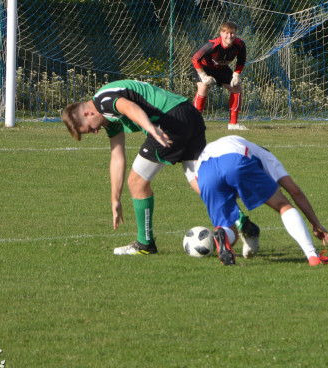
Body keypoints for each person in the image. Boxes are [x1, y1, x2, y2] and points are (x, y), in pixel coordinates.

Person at [61, 79, 259, 255]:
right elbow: (117, 157)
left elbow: (129, 107)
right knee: (201, 183)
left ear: (87, 113)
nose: (95, 132)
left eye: (89, 128)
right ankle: (243, 223)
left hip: (169, 121)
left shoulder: (103, 101)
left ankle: (145, 245)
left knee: (137, 182)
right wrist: (115, 199)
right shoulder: (109, 119)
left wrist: (151, 128)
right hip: (189, 114)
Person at [183, 135, 328, 267]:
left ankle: (223, 233)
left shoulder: (237, 142)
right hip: (235, 161)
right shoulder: (267, 157)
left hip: (204, 171)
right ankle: (313, 256)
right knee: (283, 205)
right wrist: (315, 223)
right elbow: (294, 191)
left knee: (231, 232)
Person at [191, 20, 248, 131]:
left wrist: (236, 75)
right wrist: (203, 75)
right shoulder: (212, 45)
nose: (229, 36)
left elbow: (241, 60)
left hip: (221, 69)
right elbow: (195, 59)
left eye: (232, 33)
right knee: (203, 87)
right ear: (221, 33)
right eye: (226, 33)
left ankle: (233, 124)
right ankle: (195, 123)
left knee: (237, 88)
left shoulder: (240, 45)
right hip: (204, 67)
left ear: (235, 34)